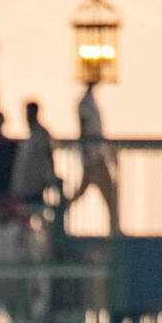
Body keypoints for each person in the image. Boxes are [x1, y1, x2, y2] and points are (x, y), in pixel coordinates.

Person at [66, 82, 118, 234]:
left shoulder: (90, 101)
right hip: (94, 160)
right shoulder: (85, 103)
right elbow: (84, 128)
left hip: (94, 157)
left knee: (83, 193)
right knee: (110, 196)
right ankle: (115, 234)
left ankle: (60, 214)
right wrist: (88, 153)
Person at [10, 101, 56, 215]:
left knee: (37, 212)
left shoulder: (41, 134)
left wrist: (50, 177)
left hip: (35, 184)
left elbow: (47, 155)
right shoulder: (29, 136)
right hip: (24, 184)